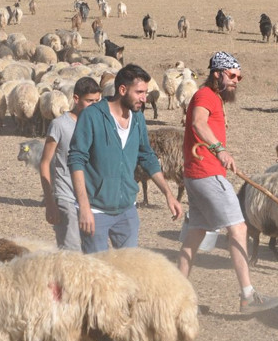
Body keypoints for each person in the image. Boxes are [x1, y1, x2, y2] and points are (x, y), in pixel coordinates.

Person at [178, 51, 278, 314]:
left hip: (197, 174)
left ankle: (174, 294)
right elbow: (197, 123)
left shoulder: (212, 97)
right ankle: (248, 296)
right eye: (233, 75)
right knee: (238, 229)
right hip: (207, 173)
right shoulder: (205, 95)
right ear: (218, 73)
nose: (237, 80)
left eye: (239, 76)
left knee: (195, 234)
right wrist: (220, 150)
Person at [68, 63, 182, 253]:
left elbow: (147, 156)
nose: (144, 98)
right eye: (139, 92)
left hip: (127, 210)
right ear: (122, 89)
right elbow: (76, 160)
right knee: (98, 274)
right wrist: (85, 207)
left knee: (129, 272)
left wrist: (168, 194)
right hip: (95, 210)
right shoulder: (92, 116)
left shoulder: (137, 118)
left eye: (145, 92)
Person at [39, 77, 101, 250]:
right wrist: (50, 201)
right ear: (76, 99)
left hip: (92, 199)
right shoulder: (59, 125)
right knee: (71, 253)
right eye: (89, 101)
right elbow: (45, 163)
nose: (94, 105)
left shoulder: (98, 124)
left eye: (97, 101)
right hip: (66, 197)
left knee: (93, 252)